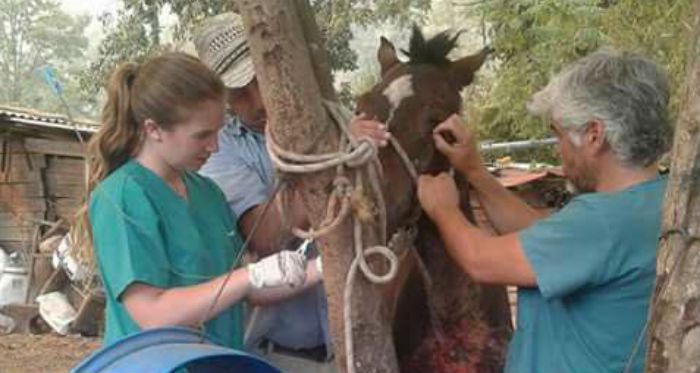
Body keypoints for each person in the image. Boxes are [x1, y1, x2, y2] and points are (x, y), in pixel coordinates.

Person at [417, 49, 671, 372]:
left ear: (594, 135)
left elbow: (479, 259)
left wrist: (443, 209)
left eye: (558, 133)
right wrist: (475, 172)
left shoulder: (601, 224)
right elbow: (536, 232)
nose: (557, 147)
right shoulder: (655, 199)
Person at [71, 52, 322, 349]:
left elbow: (249, 291)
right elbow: (152, 312)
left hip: (216, 362)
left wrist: (319, 270)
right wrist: (250, 276)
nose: (214, 146)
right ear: (153, 129)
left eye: (217, 131)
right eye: (201, 135)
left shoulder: (208, 193)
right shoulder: (123, 196)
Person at [192, 13, 389, 371]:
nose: (258, 103)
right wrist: (337, 158)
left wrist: (360, 148)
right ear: (222, 99)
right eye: (239, 93)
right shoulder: (220, 152)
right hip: (278, 356)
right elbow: (266, 235)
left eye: (260, 82)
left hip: (362, 341)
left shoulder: (337, 122)